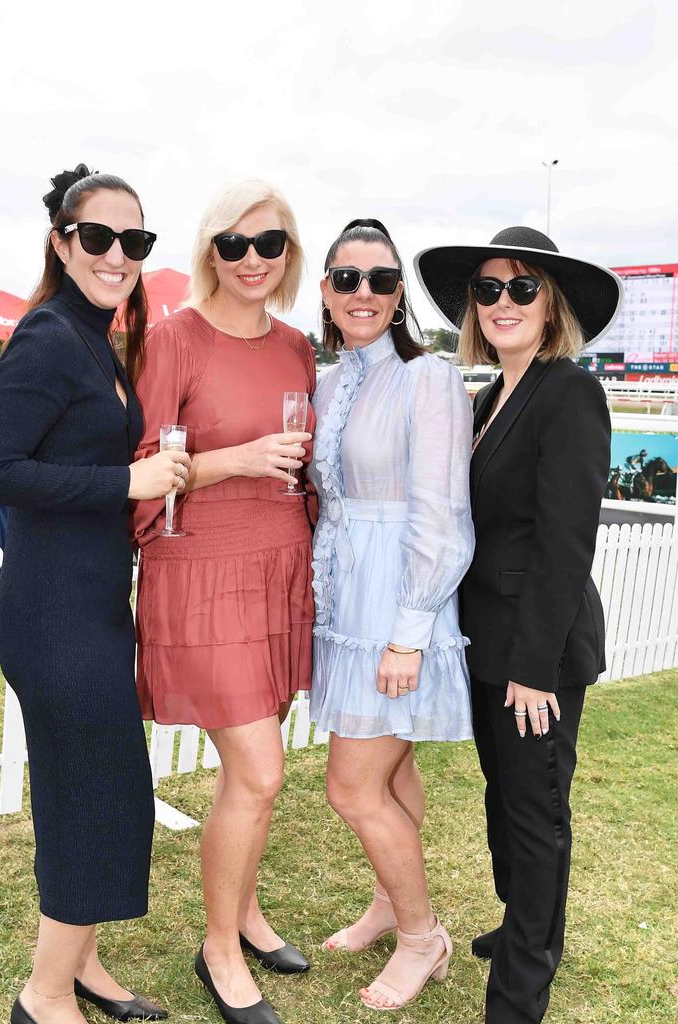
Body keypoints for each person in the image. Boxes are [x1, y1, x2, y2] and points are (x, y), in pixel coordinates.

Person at [0, 164, 189, 1024]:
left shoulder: (97, 336)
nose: (118, 254)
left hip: (91, 606)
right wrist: (124, 483)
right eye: (99, 237)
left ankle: (83, 967)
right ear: (63, 243)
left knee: (88, 792)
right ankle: (44, 993)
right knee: (101, 795)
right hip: (53, 614)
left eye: (134, 241)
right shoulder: (49, 335)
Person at [415, 225, 622, 1024]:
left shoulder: (568, 391)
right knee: (506, 799)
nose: (503, 301)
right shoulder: (487, 398)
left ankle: (522, 987)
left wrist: (533, 666)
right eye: (488, 289)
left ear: (551, 305)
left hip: (539, 653)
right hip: (483, 645)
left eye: (522, 288)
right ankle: (521, 925)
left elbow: (567, 541)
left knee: (536, 815)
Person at [132, 179, 314, 1024]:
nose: (250, 260)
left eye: (267, 244)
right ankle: (218, 947)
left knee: (258, 777)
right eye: (232, 244)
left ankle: (244, 912)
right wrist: (233, 460)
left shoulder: (299, 347)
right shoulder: (173, 339)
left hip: (279, 566)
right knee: (262, 769)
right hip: (204, 572)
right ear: (209, 252)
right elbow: (139, 476)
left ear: (288, 254)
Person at [310, 219, 475, 1011]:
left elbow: (441, 511)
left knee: (353, 786)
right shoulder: (331, 380)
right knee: (391, 768)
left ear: (399, 293)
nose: (364, 293)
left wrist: (411, 630)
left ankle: (423, 938)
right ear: (327, 291)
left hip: (403, 604)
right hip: (348, 599)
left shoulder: (429, 378)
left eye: (380, 279)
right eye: (348, 279)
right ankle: (388, 901)